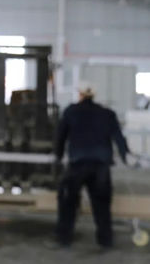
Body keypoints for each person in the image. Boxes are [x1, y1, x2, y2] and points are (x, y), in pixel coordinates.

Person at [53, 81, 129, 248]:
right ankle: (105, 241)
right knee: (102, 203)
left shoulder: (71, 112)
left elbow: (60, 136)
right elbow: (118, 137)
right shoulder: (107, 114)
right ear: (94, 95)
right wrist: (126, 156)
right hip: (101, 165)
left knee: (68, 201)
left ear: (80, 94)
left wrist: (57, 157)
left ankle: (64, 238)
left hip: (77, 164)